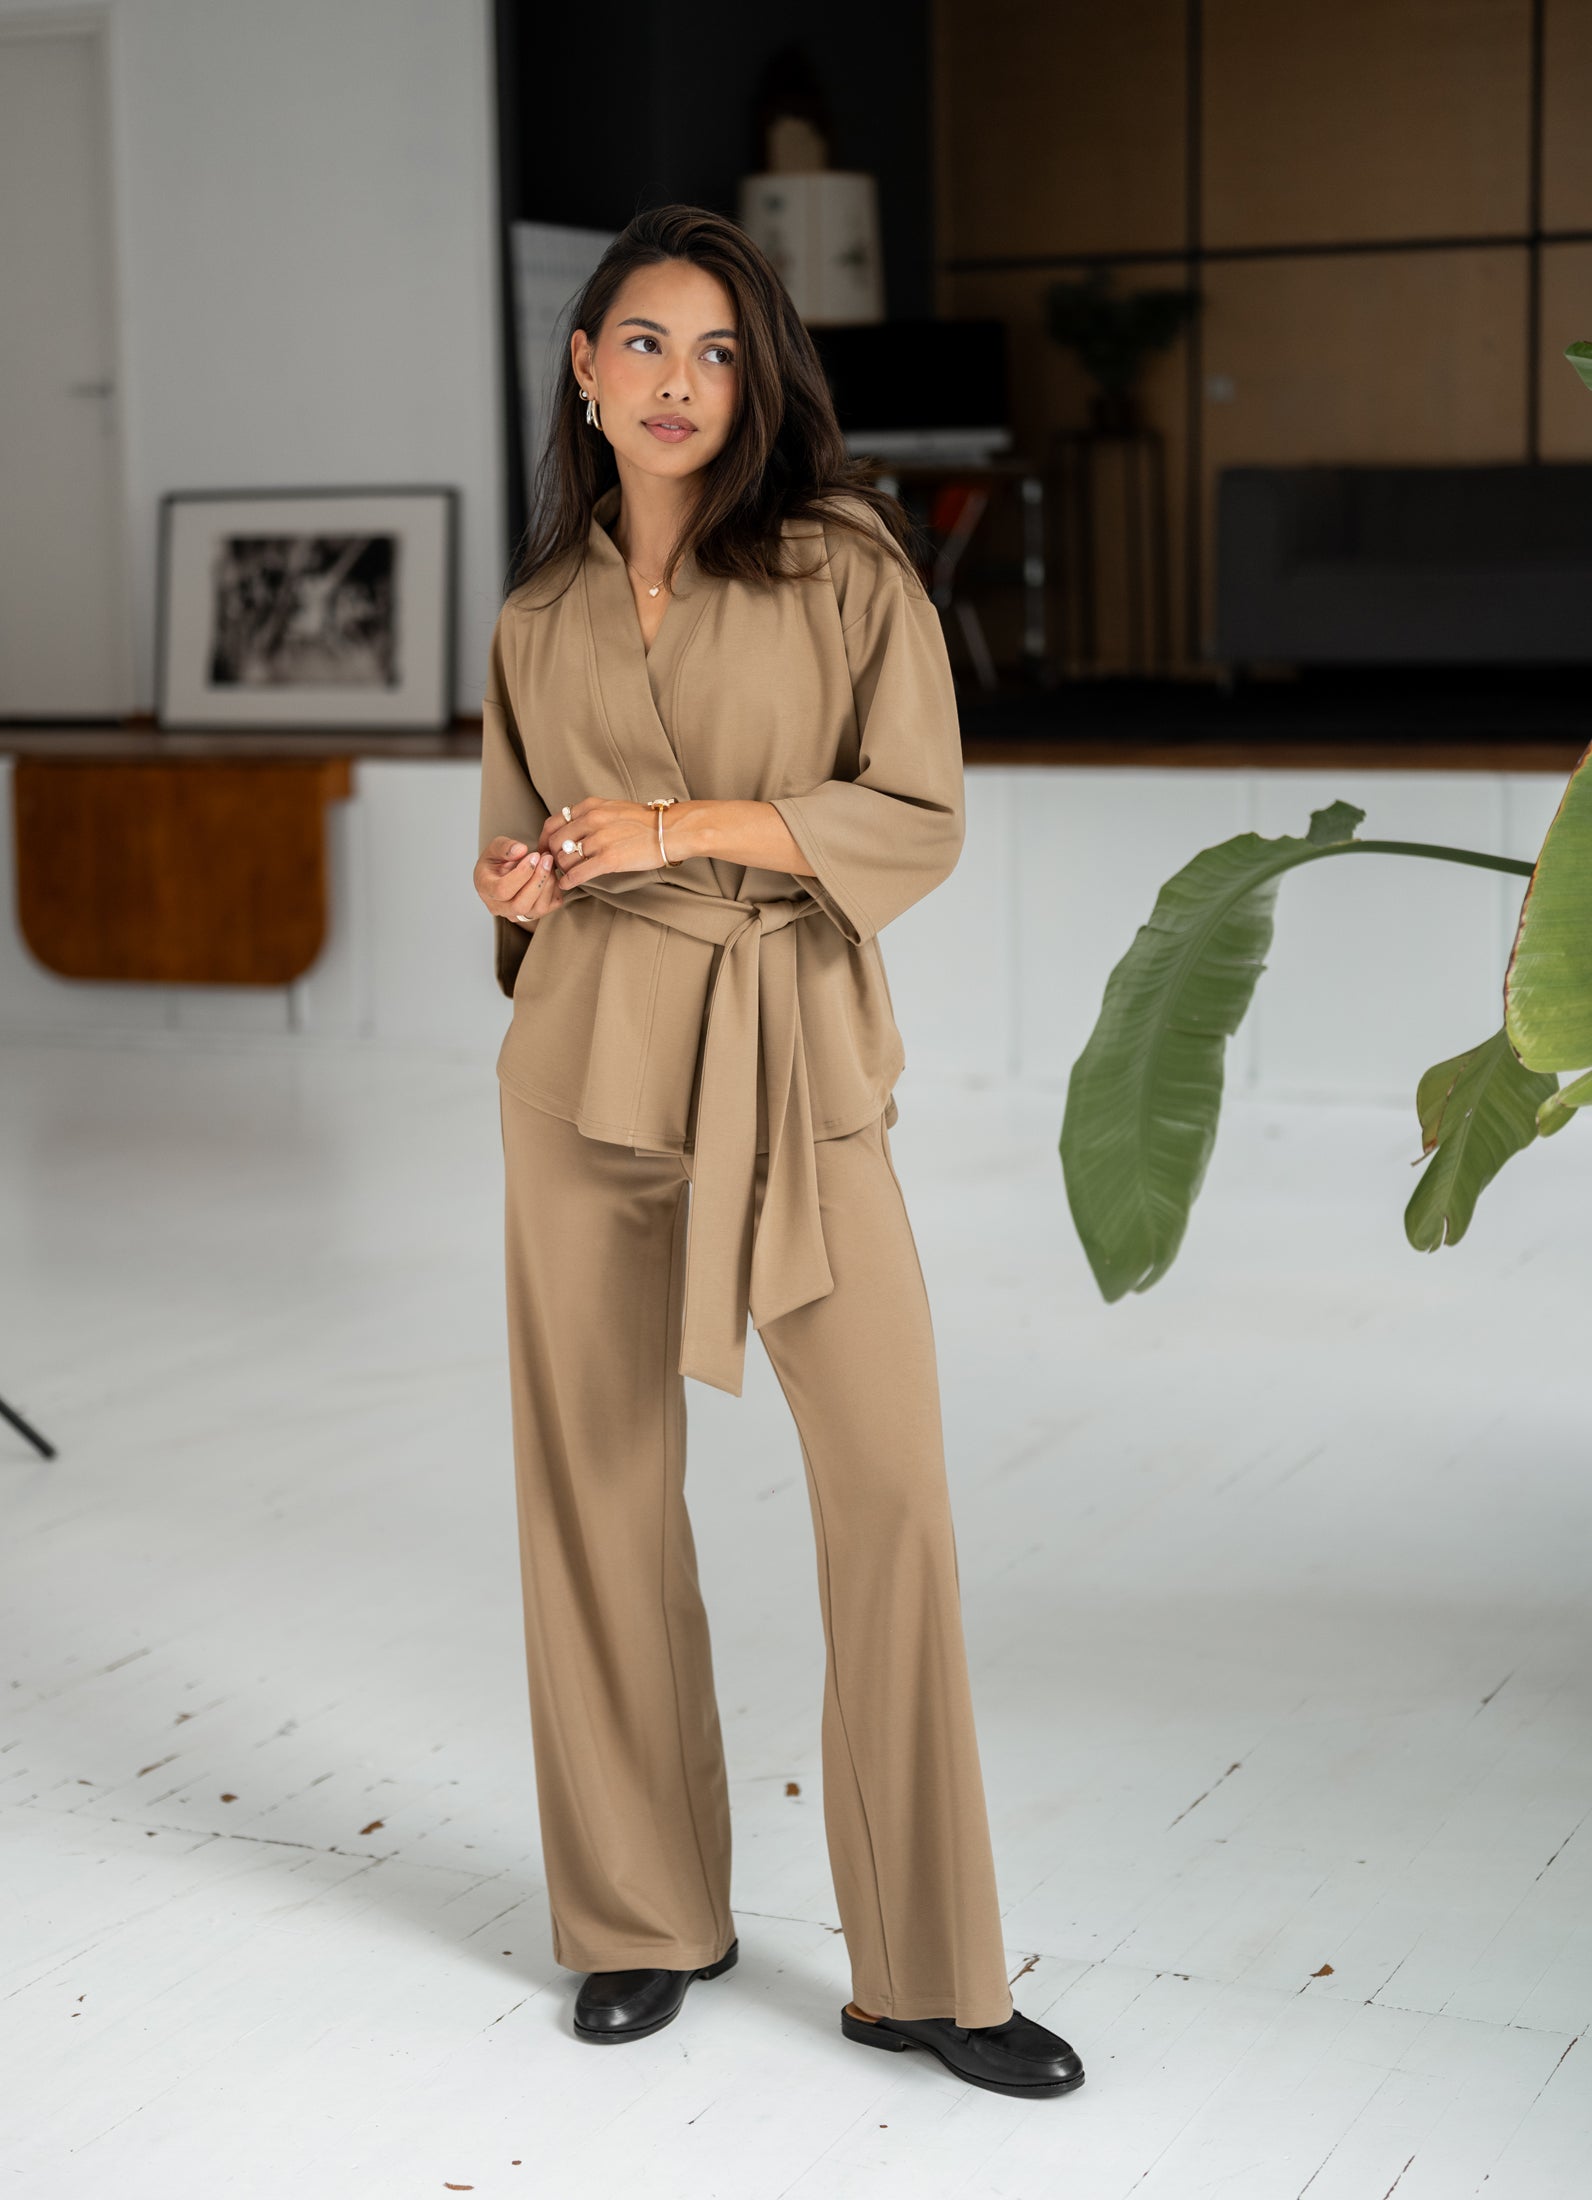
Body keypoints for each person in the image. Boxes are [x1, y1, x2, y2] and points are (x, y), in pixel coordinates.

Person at [472, 204, 1083, 2101]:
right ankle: (647, 1916)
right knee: (595, 1499)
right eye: (643, 344)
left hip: (792, 1058)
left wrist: (673, 827)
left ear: (760, 385)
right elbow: (522, 861)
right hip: (583, 1072)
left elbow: (916, 812)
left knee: (887, 1489)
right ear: (582, 367)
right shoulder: (535, 610)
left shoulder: (841, 565)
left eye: (718, 353)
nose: (677, 383)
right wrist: (524, 876)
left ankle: (925, 1969)